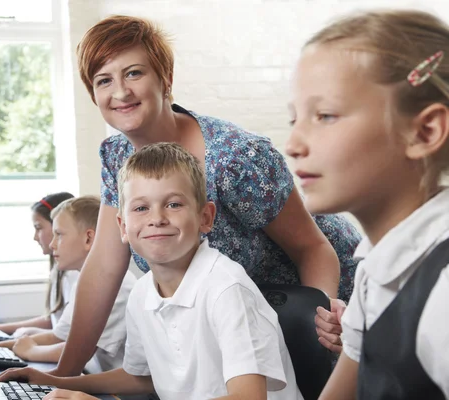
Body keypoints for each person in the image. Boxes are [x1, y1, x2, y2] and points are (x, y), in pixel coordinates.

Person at [53, 15, 362, 376]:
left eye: (134, 73)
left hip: (322, 296)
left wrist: (322, 327)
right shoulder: (116, 157)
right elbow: (104, 267)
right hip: (245, 320)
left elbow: (313, 248)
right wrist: (61, 376)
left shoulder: (234, 157)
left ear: (165, 80)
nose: (120, 92)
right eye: (104, 80)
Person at [0, 143, 303, 400]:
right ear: (123, 227)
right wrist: (57, 381)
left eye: (173, 205)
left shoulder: (226, 289)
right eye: (141, 208)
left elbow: (248, 398)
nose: (157, 219)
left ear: (205, 218)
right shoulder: (142, 294)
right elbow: (140, 378)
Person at [286, 9, 449, 399]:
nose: (293, 145)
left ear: (424, 131)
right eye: (294, 119)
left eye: (325, 116)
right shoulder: (375, 270)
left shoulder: (442, 292)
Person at [0, 196, 137, 372]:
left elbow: (74, 349)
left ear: (88, 239)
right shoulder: (84, 281)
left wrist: (29, 350)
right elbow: (63, 337)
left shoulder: (115, 285)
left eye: (59, 235)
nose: (53, 244)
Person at [0, 192, 76, 338]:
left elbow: (66, 334)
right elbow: (55, 320)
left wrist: (20, 340)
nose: (35, 237)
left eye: (39, 227)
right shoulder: (59, 269)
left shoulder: (74, 273)